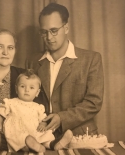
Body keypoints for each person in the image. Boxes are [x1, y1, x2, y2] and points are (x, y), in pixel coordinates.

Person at [26, 2, 104, 149]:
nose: (49, 37)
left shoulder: (91, 59)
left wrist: (62, 118)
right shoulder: (33, 61)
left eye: (54, 30)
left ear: (66, 28)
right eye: (44, 32)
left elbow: (94, 102)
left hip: (80, 138)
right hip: (41, 139)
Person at [0, 69, 73, 152]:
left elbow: (43, 119)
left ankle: (53, 144)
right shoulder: (10, 103)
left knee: (44, 134)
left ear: (37, 92)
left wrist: (43, 124)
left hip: (34, 130)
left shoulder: (38, 107)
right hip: (17, 130)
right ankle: (30, 147)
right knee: (19, 137)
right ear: (16, 89)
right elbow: (0, 114)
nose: (27, 90)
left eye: (31, 88)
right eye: (22, 86)